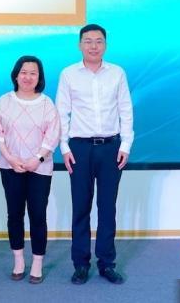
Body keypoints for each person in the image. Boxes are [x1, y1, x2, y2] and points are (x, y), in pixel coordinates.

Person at [55, 24, 133, 285]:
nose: (93, 46)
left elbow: (125, 109)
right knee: (81, 206)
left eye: (98, 41)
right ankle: (80, 264)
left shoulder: (117, 73)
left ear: (105, 45)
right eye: (88, 41)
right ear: (80, 45)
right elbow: (61, 112)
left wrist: (125, 145)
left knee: (107, 207)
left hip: (111, 148)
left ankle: (107, 263)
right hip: (79, 148)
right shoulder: (68, 74)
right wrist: (64, 147)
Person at [0, 56, 61, 284]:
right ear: (16, 75)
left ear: (39, 77)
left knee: (38, 215)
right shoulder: (3, 102)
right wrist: (11, 158)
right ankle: (19, 260)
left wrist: (37, 158)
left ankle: (37, 262)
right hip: (10, 165)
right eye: (23, 72)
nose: (28, 77)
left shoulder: (47, 104)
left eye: (33, 73)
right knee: (15, 214)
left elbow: (53, 135)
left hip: (39, 167)